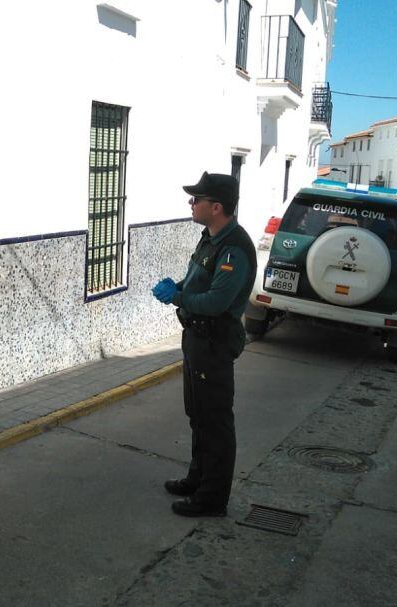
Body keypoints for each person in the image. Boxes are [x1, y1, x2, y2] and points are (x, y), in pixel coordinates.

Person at [151, 172, 256, 517]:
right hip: (196, 338)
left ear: (216, 207)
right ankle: (197, 479)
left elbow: (216, 301)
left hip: (214, 342)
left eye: (197, 199)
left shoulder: (234, 248)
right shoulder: (210, 239)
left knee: (215, 421)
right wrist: (179, 286)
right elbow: (198, 279)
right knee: (198, 414)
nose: (191, 203)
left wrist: (177, 297)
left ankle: (212, 498)